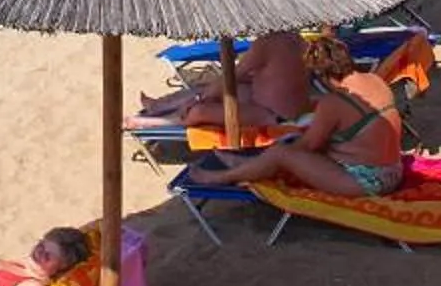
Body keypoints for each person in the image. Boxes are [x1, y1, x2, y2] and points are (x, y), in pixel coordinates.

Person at [178, 36, 409, 197]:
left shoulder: (335, 102)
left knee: (282, 151)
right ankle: (245, 165)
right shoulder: (376, 81)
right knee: (287, 145)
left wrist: (278, 150)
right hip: (393, 171)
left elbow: (307, 147)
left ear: (322, 74)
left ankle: (222, 177)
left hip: (368, 182)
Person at [129, 30, 312, 130]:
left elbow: (232, 75)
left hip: (274, 117)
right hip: (278, 106)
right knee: (209, 88)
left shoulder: (267, 43)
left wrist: (198, 100)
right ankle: (159, 105)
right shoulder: (297, 39)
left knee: (199, 110)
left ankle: (153, 122)